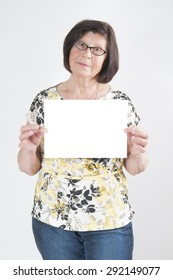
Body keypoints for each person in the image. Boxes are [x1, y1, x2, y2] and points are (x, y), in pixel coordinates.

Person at [17, 19, 149, 260]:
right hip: (52, 221)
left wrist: (137, 153)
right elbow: (29, 167)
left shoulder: (120, 103)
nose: (87, 54)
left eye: (97, 49)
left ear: (107, 58)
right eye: (81, 44)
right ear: (70, 47)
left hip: (108, 221)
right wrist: (28, 148)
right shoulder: (44, 101)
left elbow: (135, 168)